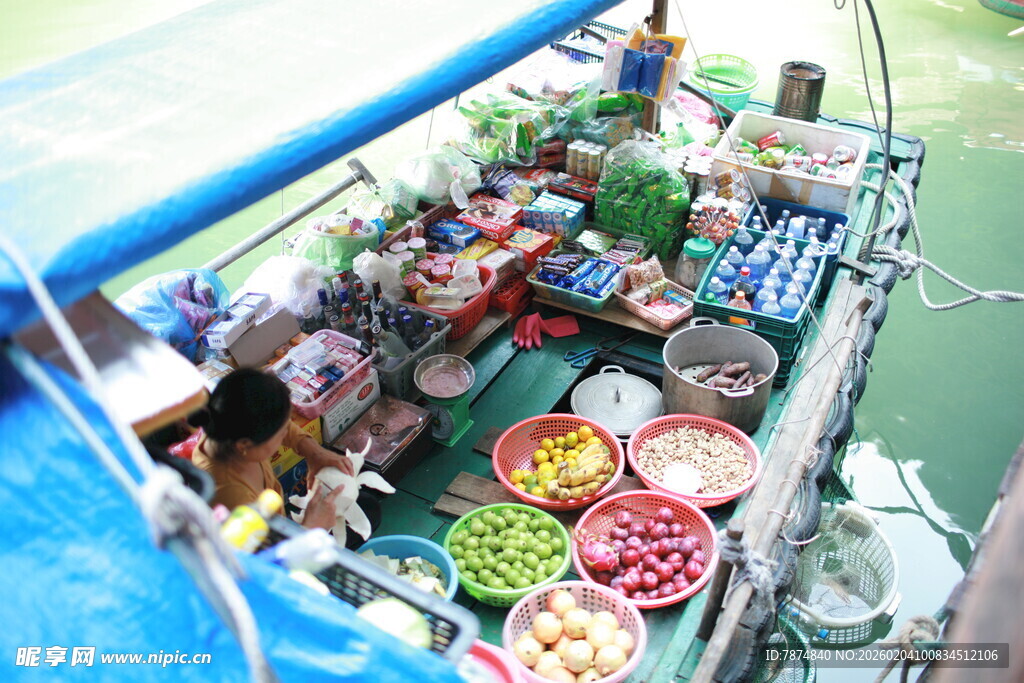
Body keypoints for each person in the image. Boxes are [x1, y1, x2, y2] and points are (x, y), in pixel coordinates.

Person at [190, 368, 380, 538]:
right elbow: (267, 567)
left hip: (276, 521)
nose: (285, 435)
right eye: (280, 435)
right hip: (272, 552)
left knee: (367, 508)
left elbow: (284, 425)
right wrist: (312, 528)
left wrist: (314, 453)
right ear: (244, 445)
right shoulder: (229, 500)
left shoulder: (230, 430)